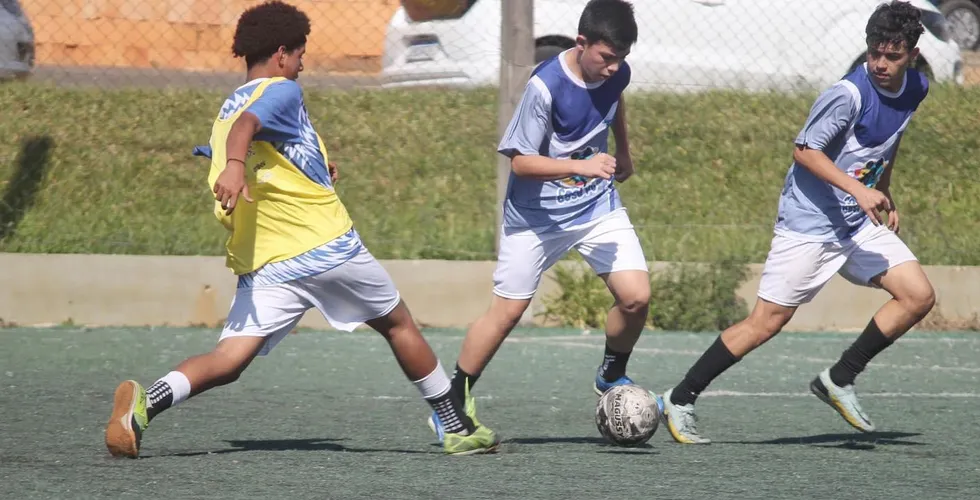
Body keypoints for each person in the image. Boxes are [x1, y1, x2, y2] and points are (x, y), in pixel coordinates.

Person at [104, 0, 497, 458]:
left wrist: (308, 161)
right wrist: (234, 164)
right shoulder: (280, 91)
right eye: (300, 54)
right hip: (325, 246)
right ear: (281, 53)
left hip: (268, 262)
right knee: (397, 323)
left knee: (228, 361)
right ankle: (455, 425)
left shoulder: (227, 108)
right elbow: (250, 131)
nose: (302, 64)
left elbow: (257, 142)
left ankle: (144, 406)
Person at [660, 0, 937, 444]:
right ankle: (680, 396)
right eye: (874, 53)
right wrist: (859, 189)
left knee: (918, 295)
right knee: (766, 322)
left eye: (892, 55)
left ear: (913, 53)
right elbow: (805, 151)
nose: (881, 64)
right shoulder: (847, 95)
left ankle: (839, 378)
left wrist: (886, 189)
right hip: (810, 223)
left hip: (857, 221)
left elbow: (889, 140)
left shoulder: (915, 89)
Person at [427, 0, 664, 440]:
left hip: (596, 207)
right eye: (606, 58)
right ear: (582, 42)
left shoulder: (617, 74)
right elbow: (520, 163)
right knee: (508, 311)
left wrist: (624, 150)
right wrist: (582, 167)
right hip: (535, 218)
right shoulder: (546, 86)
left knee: (636, 297)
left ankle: (611, 376)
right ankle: (451, 404)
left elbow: (616, 104)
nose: (613, 68)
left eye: (621, 59)